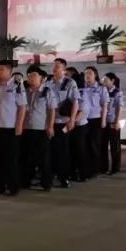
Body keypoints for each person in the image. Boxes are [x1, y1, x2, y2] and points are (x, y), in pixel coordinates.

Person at [0, 60, 26, 196]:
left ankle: (13, 187)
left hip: (10, 128)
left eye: (2, 69)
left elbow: (22, 107)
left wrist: (19, 125)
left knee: (10, 160)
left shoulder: (17, 86)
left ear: (10, 71)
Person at [44, 58, 80, 188]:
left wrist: (72, 120)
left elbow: (75, 102)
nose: (54, 68)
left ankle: (64, 177)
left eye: (57, 66)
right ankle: (50, 175)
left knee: (63, 150)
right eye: (53, 66)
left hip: (63, 122)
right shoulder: (48, 83)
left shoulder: (70, 83)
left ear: (64, 69)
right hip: (50, 121)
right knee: (50, 150)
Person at [21, 66, 56, 191]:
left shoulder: (47, 91)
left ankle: (46, 183)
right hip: (26, 128)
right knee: (27, 157)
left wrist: (50, 126)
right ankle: (26, 181)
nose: (31, 77)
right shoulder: (24, 91)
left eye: (34, 75)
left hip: (41, 129)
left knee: (44, 158)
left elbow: (52, 110)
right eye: (29, 75)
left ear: (41, 78)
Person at [81, 66, 109, 180]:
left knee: (95, 145)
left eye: (90, 73)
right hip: (83, 120)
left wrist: (103, 120)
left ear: (95, 75)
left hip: (96, 120)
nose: (87, 76)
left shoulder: (101, 89)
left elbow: (104, 105)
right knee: (85, 146)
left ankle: (96, 169)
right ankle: (86, 170)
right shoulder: (81, 88)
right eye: (85, 74)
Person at [64, 66, 88, 182]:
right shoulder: (69, 91)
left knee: (80, 150)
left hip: (79, 126)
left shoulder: (82, 92)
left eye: (67, 75)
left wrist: (72, 122)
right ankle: (72, 173)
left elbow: (82, 111)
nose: (65, 78)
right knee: (71, 150)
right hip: (71, 124)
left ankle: (83, 174)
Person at [102, 72, 124, 175]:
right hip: (103, 122)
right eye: (103, 81)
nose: (104, 83)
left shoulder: (117, 92)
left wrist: (116, 122)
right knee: (103, 146)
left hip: (112, 122)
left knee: (114, 146)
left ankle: (115, 168)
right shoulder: (103, 91)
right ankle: (104, 167)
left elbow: (119, 107)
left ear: (112, 81)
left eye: (106, 81)